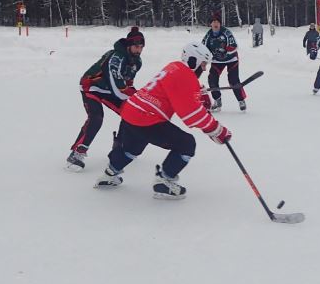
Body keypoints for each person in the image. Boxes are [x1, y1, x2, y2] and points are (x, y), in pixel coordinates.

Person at [94, 41, 231, 199]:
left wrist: (196, 93)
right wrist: (217, 130)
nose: (205, 68)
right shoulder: (186, 76)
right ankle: (164, 181)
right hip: (147, 117)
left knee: (132, 148)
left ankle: (110, 174)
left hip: (131, 110)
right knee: (186, 144)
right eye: (204, 64)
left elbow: (173, 91)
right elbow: (191, 115)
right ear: (195, 61)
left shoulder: (174, 67)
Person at [66, 26, 145, 171]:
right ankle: (77, 153)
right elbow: (117, 88)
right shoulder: (116, 58)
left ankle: (120, 147)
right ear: (128, 45)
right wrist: (137, 99)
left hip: (109, 90)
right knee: (96, 117)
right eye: (136, 46)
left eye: (141, 47)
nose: (138, 50)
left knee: (131, 112)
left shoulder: (137, 62)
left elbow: (127, 84)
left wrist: (139, 99)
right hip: (92, 87)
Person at [202, 12, 247, 111]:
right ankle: (217, 100)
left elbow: (235, 47)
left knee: (233, 80)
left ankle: (241, 100)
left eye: (217, 21)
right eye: (213, 22)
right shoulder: (208, 36)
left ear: (220, 23)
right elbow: (203, 50)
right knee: (212, 79)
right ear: (210, 24)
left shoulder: (226, 33)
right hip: (217, 61)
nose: (215, 24)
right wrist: (204, 62)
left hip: (231, 59)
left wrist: (226, 51)